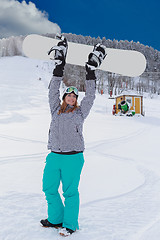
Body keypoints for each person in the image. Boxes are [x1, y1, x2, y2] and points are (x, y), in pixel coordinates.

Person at [40, 36, 106, 237]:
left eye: (74, 95)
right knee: (49, 189)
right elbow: (52, 91)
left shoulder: (80, 112)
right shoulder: (55, 110)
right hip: (54, 156)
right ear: (64, 98)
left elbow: (92, 96)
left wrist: (90, 72)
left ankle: (69, 224)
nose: (71, 97)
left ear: (76, 100)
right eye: (68, 94)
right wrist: (59, 68)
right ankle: (55, 219)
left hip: (73, 158)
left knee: (70, 193)